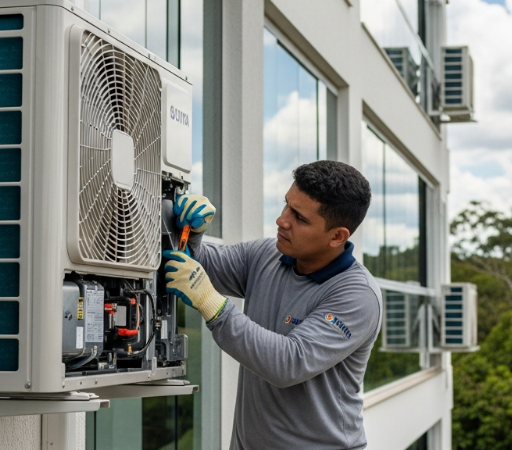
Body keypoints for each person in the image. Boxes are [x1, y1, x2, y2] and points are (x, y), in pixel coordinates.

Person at [163, 160, 382, 449]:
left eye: (300, 218)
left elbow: (288, 363)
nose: (282, 220)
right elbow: (199, 269)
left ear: (337, 236)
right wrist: (191, 233)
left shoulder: (357, 295)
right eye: (286, 205)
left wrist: (210, 303)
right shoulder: (267, 254)